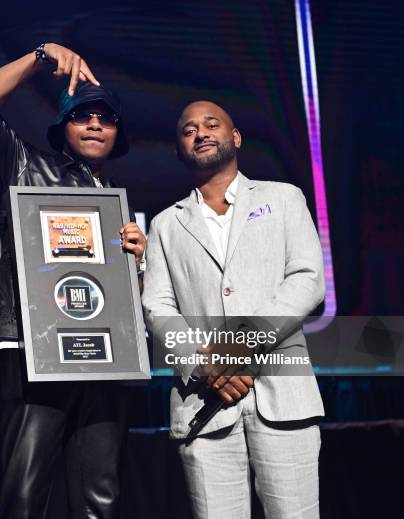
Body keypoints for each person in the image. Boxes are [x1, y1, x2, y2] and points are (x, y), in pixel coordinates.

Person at [0, 43, 146, 518]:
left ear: (118, 132)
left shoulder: (116, 203)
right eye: (82, 116)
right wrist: (40, 56)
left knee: (99, 495)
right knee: (24, 492)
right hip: (30, 346)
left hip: (103, 352)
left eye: (105, 118)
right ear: (62, 128)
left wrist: (137, 263)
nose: (95, 124)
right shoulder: (25, 164)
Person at [142, 101, 325, 518]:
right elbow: (157, 306)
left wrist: (241, 345)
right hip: (204, 403)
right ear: (178, 149)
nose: (201, 133)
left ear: (236, 136)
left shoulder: (283, 198)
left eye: (212, 124)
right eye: (189, 130)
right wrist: (206, 365)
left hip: (284, 398)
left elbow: (307, 280)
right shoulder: (165, 224)